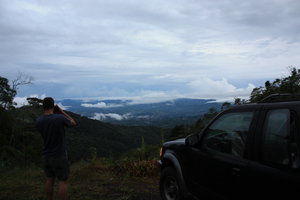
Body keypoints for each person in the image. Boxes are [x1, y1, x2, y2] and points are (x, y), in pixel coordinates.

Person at [36, 97, 76, 200]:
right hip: (59, 155)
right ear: (53, 106)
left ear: (43, 107)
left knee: (49, 179)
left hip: (46, 155)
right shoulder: (59, 118)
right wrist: (61, 111)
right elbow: (73, 123)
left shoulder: (39, 121)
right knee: (63, 181)